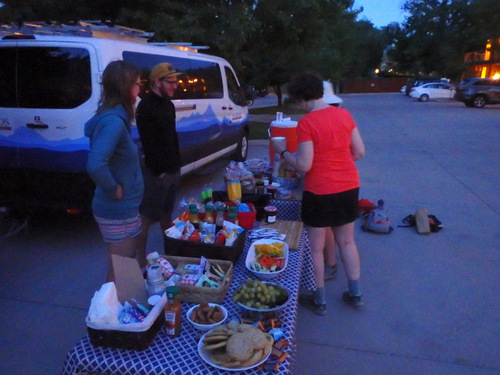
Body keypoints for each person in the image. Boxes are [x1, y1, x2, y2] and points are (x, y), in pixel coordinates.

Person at [271, 72, 365, 316]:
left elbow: (304, 165)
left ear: (302, 98)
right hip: (348, 186)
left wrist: (282, 152)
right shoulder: (344, 114)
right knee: (347, 241)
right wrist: (339, 163)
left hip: (320, 190)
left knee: (315, 247)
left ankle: (319, 299)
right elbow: (360, 152)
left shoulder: (308, 123)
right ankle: (355, 294)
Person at [85, 60, 144, 281]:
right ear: (125, 86)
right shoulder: (114, 122)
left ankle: (116, 309)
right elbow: (95, 163)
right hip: (117, 211)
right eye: (137, 85)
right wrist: (115, 190)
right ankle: (108, 313)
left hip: (125, 210)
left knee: (123, 267)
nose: (139, 91)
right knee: (121, 271)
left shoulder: (115, 116)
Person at [135, 62, 182, 265]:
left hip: (173, 170)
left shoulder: (168, 105)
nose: (175, 85)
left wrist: (176, 165)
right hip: (156, 174)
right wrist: (158, 172)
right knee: (146, 217)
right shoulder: (146, 107)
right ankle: (141, 263)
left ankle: (170, 253)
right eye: (170, 82)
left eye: (176, 81)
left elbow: (171, 137)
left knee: (166, 214)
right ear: (157, 82)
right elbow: (149, 144)